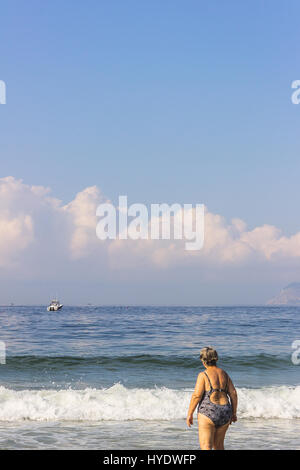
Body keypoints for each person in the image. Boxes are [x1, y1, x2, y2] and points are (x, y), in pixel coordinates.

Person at [186, 346, 238, 450]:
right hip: (225, 411)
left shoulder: (203, 375)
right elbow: (233, 393)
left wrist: (189, 414)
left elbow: (196, 396)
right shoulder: (224, 374)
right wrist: (233, 413)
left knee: (206, 447)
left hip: (208, 412)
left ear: (203, 361)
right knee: (219, 447)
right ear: (216, 359)